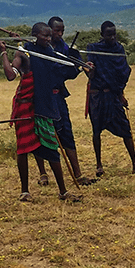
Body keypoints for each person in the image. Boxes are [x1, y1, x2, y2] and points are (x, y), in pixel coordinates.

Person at [1, 22, 86, 202]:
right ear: (35, 36)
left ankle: (63, 192)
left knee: (51, 148)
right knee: (23, 149)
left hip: (45, 106)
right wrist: (3, 52)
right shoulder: (23, 53)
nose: (48, 39)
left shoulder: (50, 54)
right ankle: (25, 191)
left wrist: (77, 63)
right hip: (25, 107)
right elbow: (10, 75)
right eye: (44, 36)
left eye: (49, 36)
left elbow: (64, 72)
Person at [32, 16, 95, 187]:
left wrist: (81, 66)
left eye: (62, 31)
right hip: (40, 98)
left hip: (58, 97)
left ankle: (78, 174)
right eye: (56, 31)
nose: (59, 34)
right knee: (40, 135)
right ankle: (43, 173)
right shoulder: (36, 48)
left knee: (66, 132)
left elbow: (68, 72)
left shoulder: (63, 48)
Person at [85, 21, 135, 177]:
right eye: (109, 35)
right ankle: (99, 165)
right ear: (102, 35)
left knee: (126, 130)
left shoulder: (118, 49)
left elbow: (123, 72)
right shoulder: (94, 49)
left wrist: (121, 94)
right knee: (96, 131)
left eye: (114, 34)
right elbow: (90, 73)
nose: (112, 37)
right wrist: (88, 69)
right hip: (97, 95)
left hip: (113, 95)